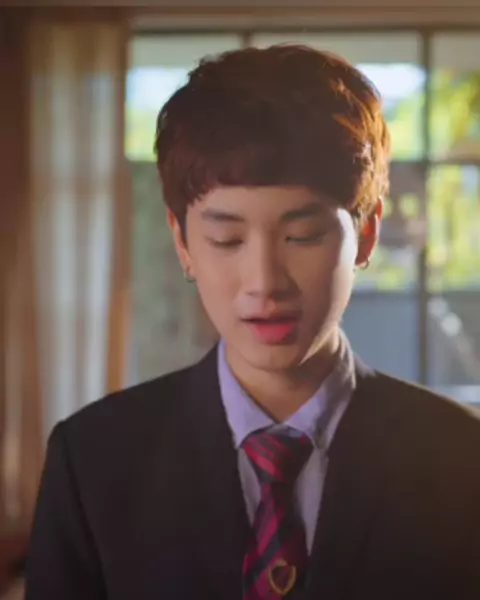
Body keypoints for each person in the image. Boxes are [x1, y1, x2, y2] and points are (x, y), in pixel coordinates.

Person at [25, 45, 480, 600]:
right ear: (182, 242)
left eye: (302, 235)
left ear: (366, 234)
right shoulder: (94, 459)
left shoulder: (462, 456)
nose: (264, 282)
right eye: (226, 239)